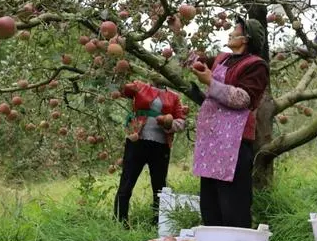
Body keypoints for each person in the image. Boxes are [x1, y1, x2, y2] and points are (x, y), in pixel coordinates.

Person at [189, 17, 269, 229]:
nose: (231, 32)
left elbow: (244, 99)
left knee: (233, 207)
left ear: (245, 38)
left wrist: (210, 83)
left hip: (235, 145)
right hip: (212, 142)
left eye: (235, 29)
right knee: (209, 206)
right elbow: (194, 61)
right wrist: (179, 31)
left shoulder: (256, 66)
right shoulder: (222, 59)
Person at [113, 78, 186, 228]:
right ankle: (120, 222)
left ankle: (158, 223)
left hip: (161, 145)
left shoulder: (174, 96)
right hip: (137, 141)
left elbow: (182, 122)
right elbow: (122, 89)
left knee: (159, 186)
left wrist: (169, 123)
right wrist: (123, 78)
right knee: (127, 182)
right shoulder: (139, 86)